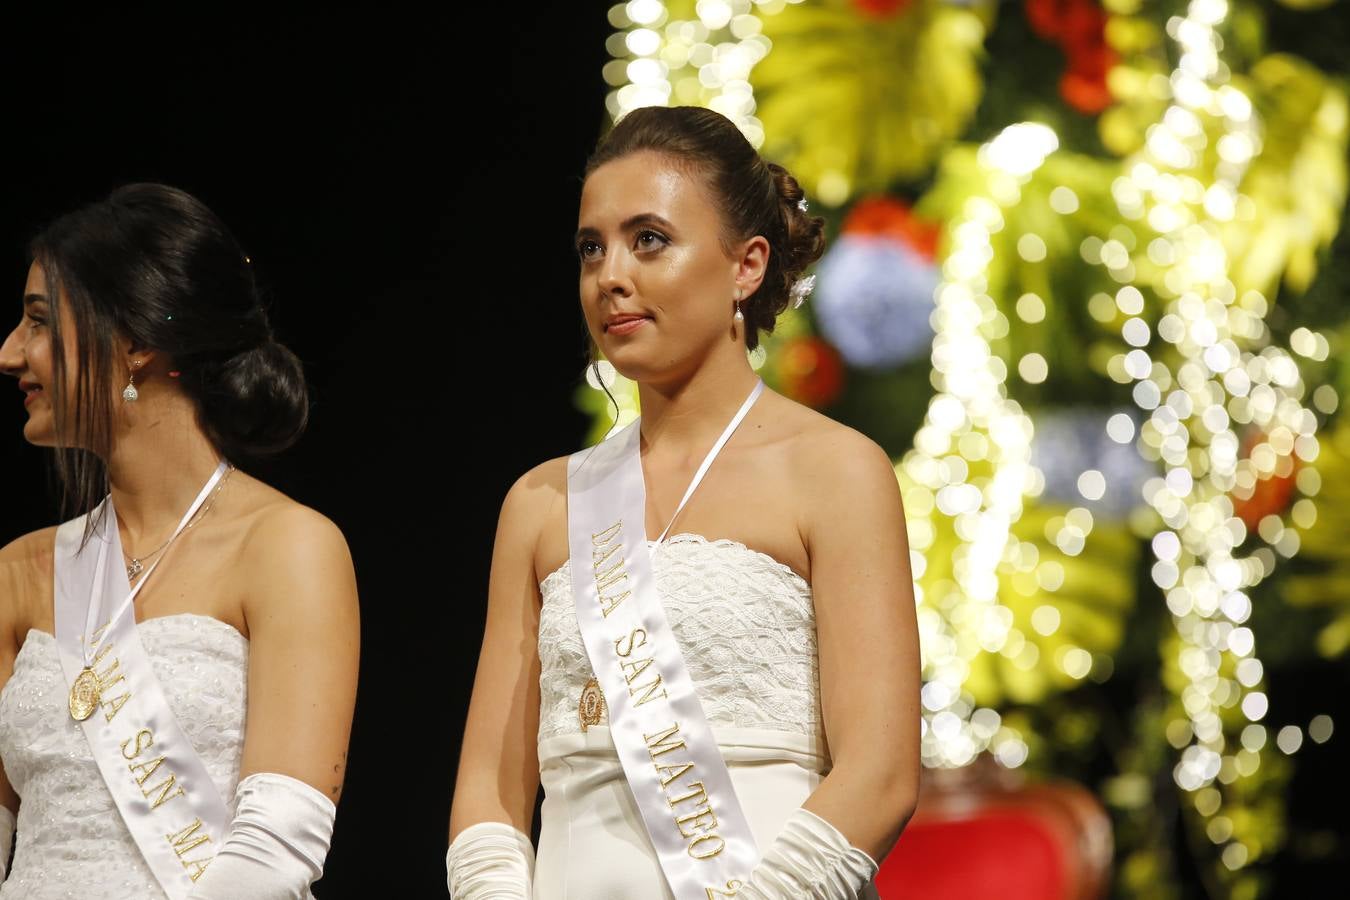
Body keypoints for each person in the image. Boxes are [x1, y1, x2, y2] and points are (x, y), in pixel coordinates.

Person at [447, 106, 920, 898]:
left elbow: (879, 774)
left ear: (748, 265)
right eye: (591, 248)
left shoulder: (836, 472)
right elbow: (489, 797)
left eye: (650, 240)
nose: (611, 276)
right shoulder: (540, 502)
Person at [0, 183, 359, 899]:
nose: (11, 352)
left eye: (39, 322)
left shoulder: (288, 547)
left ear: (135, 343)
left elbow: (277, 846)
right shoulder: (18, 570)